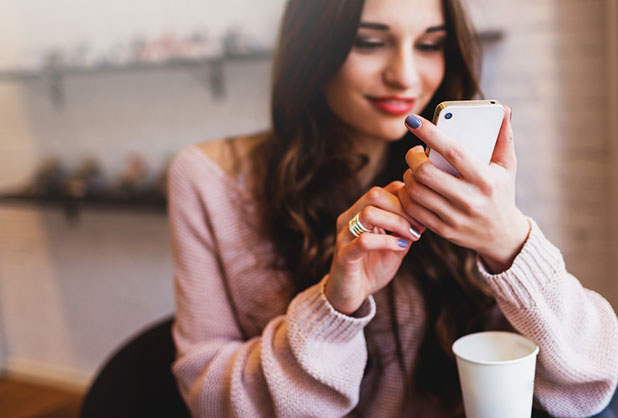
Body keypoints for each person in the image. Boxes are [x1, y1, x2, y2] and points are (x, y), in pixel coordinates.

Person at [167, 0, 618, 416]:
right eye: (370, 42)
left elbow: (592, 378)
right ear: (313, 46)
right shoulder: (211, 179)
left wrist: (510, 244)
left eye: (430, 44)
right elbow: (207, 396)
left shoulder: (455, 177)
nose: (405, 76)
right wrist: (334, 306)